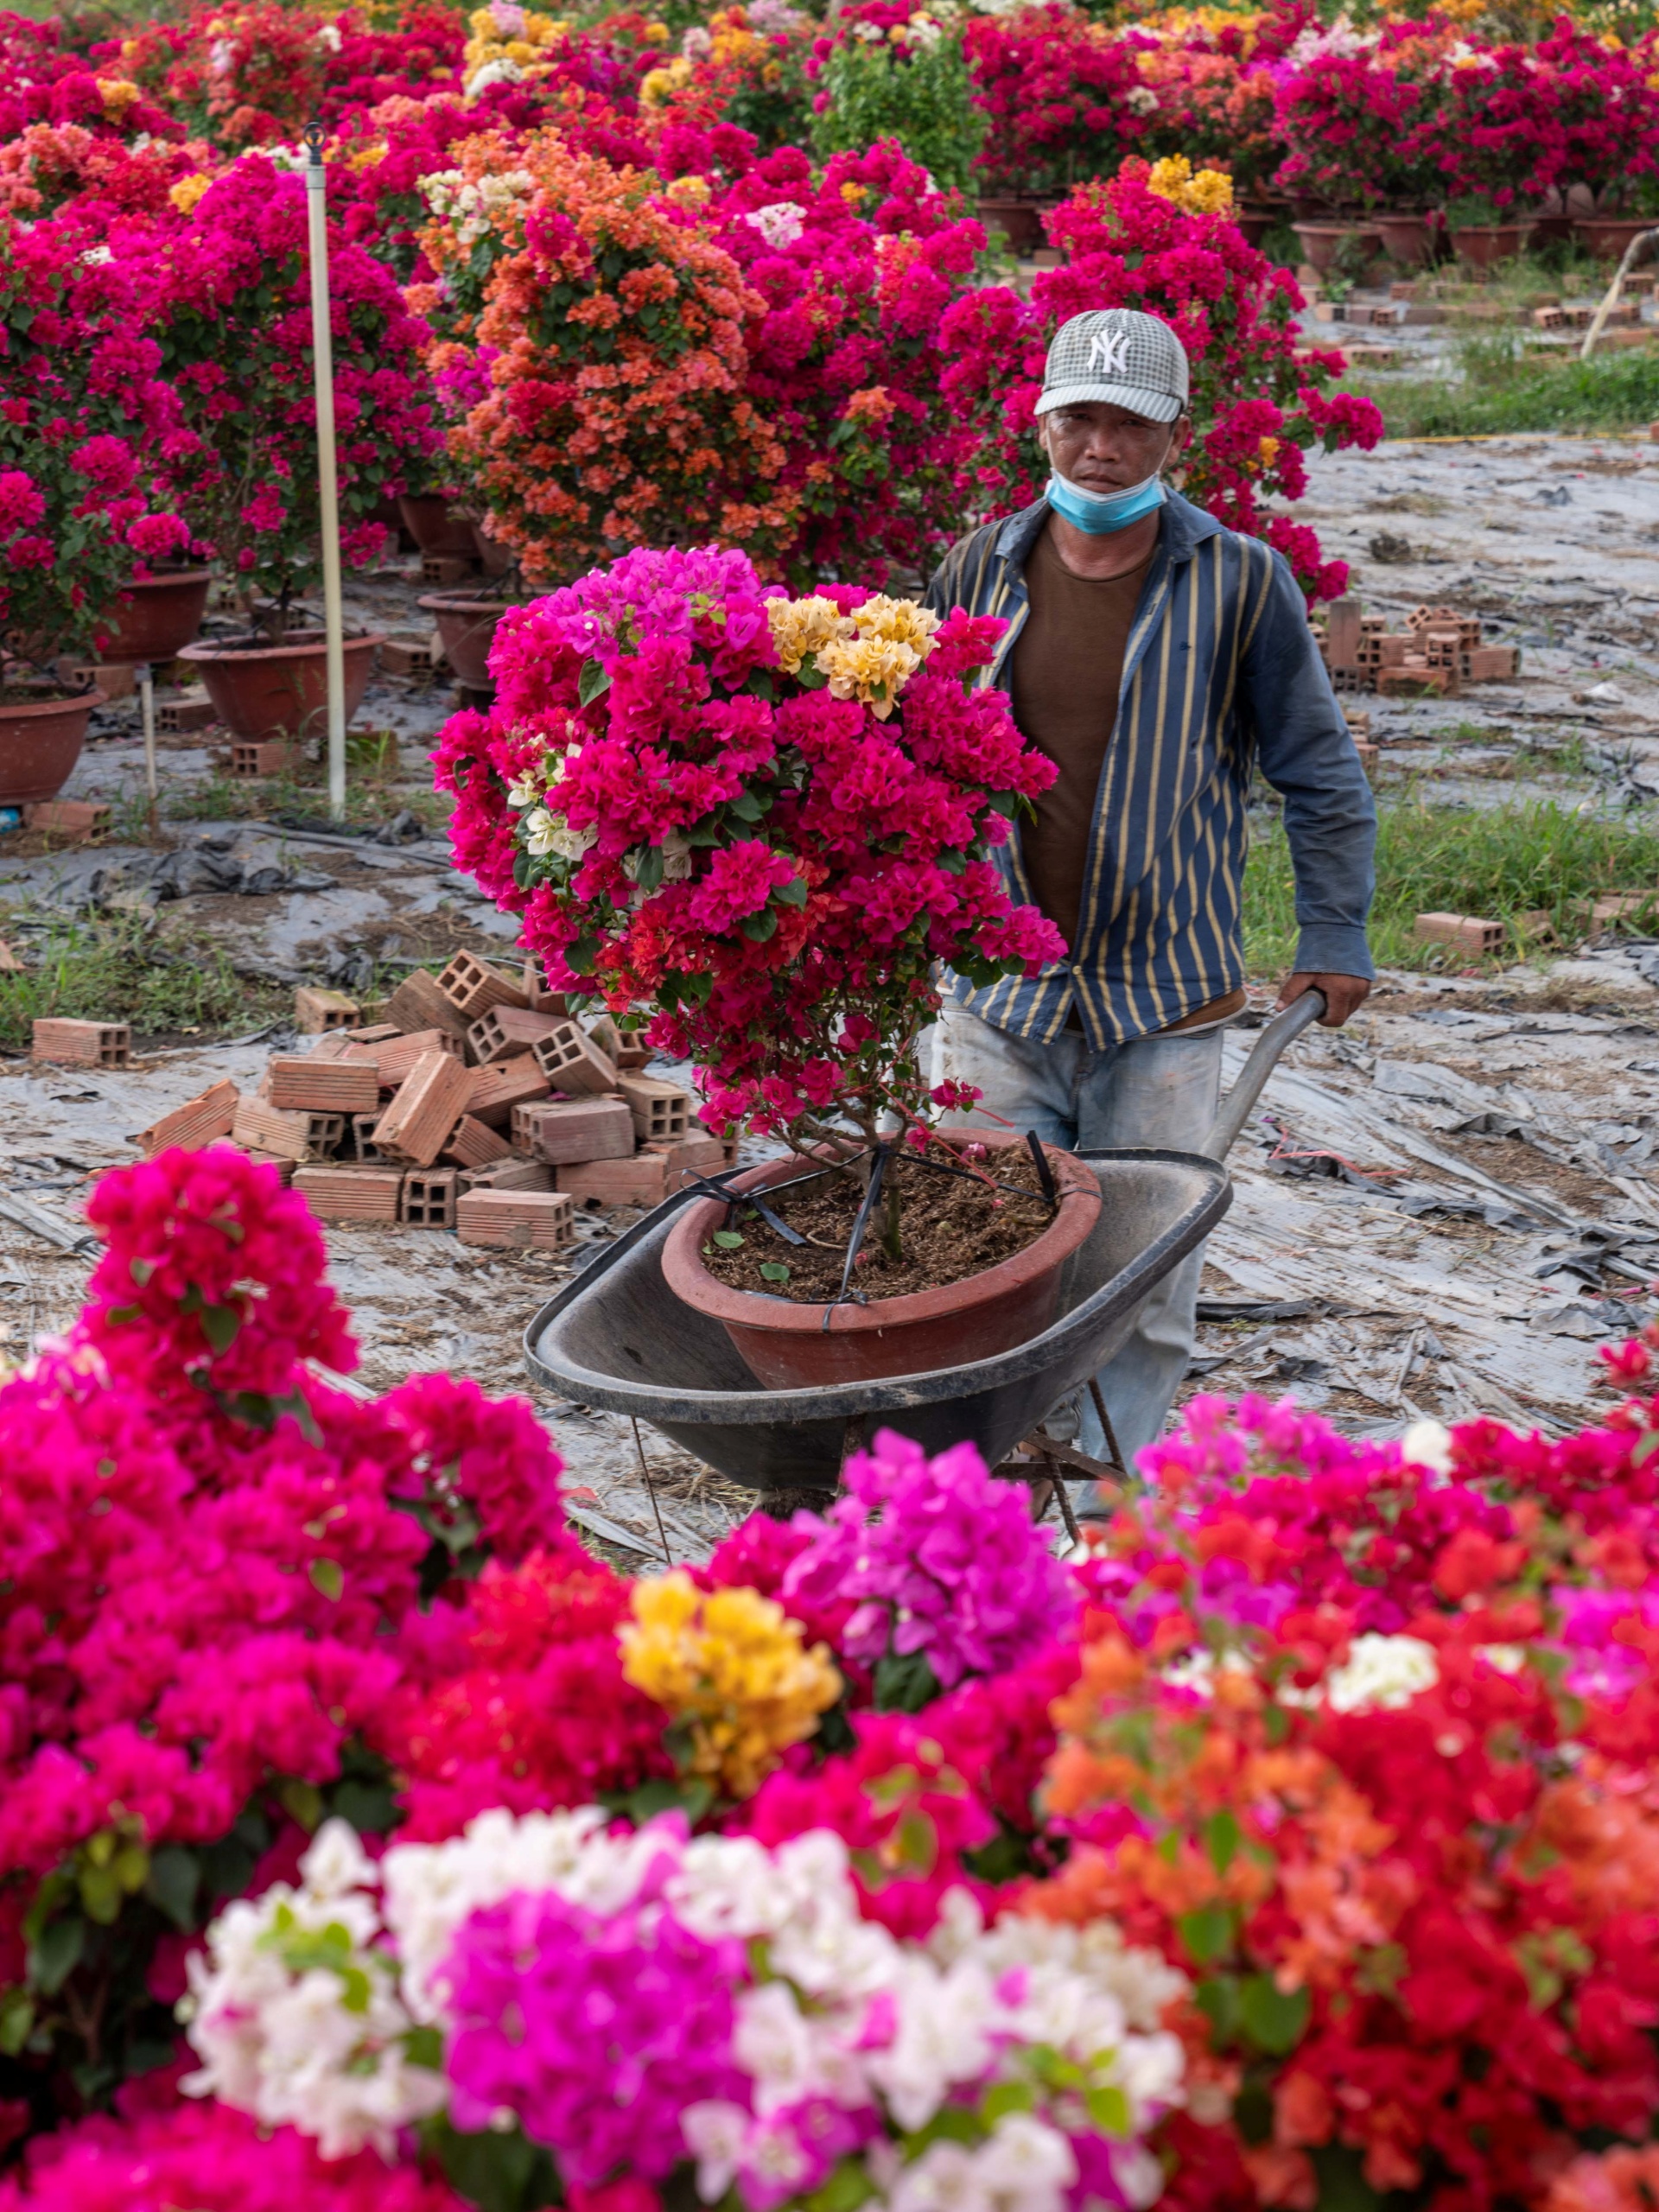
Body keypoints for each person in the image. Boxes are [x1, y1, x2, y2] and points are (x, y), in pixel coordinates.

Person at [924, 305, 1376, 1491]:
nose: (1101, 448)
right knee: (972, 1248)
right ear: (1042, 422)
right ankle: (979, 1490)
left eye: (1130, 424)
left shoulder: (1239, 583)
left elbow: (1319, 772)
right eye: (1079, 419)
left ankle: (1107, 1493)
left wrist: (1334, 932)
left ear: (1174, 434)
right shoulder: (977, 568)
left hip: (1162, 1002)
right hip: (997, 993)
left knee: (1144, 1270)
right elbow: (910, 754)